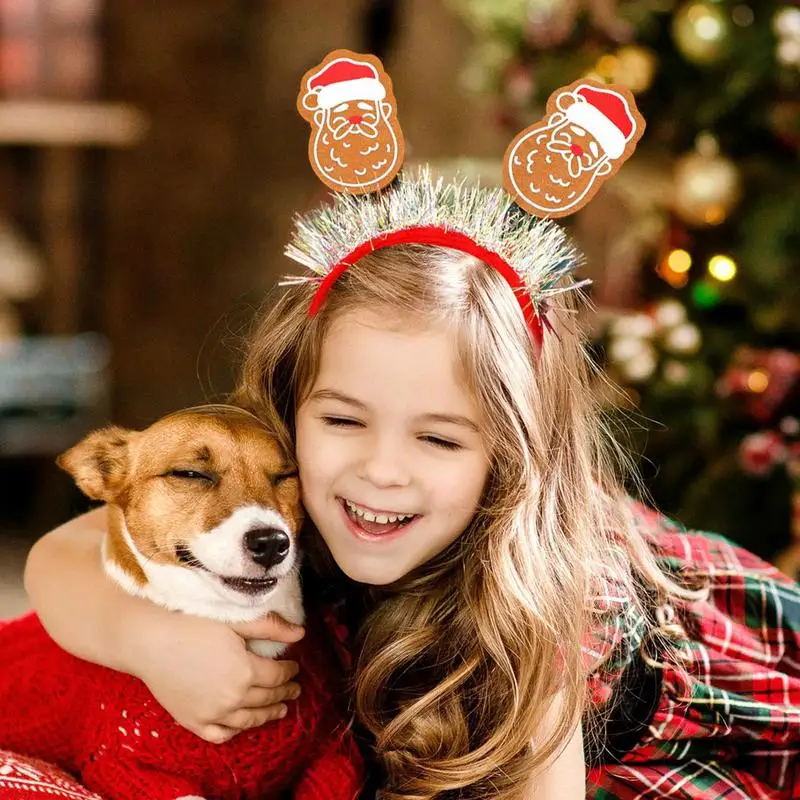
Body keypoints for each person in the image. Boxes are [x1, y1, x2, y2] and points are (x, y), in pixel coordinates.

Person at [22, 171, 800, 799]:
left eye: (437, 437)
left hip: (734, 734)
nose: (381, 471)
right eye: (344, 421)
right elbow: (61, 553)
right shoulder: (272, 487)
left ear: (512, 456)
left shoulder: (549, 612)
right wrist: (149, 641)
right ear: (290, 404)